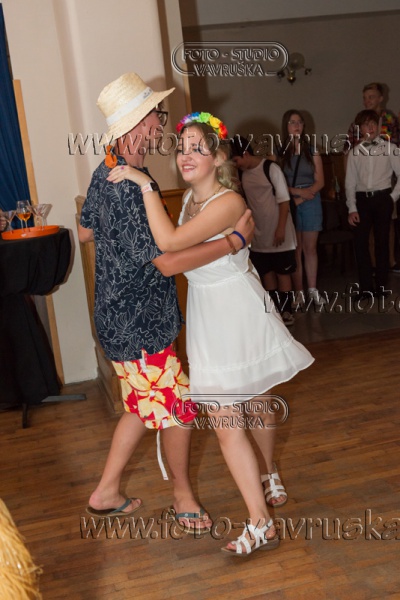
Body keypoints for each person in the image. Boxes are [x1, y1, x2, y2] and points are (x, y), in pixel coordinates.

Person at [107, 111, 314, 556]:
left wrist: (144, 183)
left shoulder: (229, 202)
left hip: (236, 312)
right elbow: (170, 258)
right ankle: (262, 515)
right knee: (229, 420)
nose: (185, 155)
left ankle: (264, 500)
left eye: (198, 148)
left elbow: (168, 245)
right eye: (181, 148)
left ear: (218, 157)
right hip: (207, 314)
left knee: (244, 409)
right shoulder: (189, 201)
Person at [78, 73, 254, 534]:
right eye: (157, 114)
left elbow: (84, 230)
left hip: (124, 318)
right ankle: (183, 497)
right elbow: (167, 262)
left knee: (141, 406)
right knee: (180, 409)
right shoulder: (129, 186)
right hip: (137, 324)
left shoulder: (108, 169)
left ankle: (106, 492)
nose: (162, 123)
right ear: (140, 123)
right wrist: (233, 242)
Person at [231, 135, 297, 326]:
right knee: (266, 273)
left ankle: (287, 311)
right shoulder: (243, 174)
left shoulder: (270, 168)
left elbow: (284, 200)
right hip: (258, 234)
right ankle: (274, 312)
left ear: (245, 154)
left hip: (279, 230)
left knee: (283, 273)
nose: (236, 164)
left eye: (236, 160)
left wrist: (281, 228)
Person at [345, 109, 400, 300]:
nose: (370, 127)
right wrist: (352, 207)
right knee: (360, 244)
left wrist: (392, 198)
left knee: (382, 243)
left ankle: (382, 286)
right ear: (360, 129)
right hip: (362, 200)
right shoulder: (354, 153)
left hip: (383, 198)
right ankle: (366, 287)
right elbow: (350, 183)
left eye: (373, 123)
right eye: (365, 124)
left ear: (378, 126)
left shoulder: (390, 148)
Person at [279, 110, 326, 308]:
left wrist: (307, 194)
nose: (296, 126)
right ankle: (298, 292)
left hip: (311, 199)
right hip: (290, 200)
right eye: (292, 122)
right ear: (286, 126)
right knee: (295, 249)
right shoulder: (280, 152)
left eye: (299, 122)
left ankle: (312, 290)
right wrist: (297, 194)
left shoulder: (312, 150)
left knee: (310, 248)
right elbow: (277, 182)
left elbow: (320, 181)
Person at [347, 82, 400, 148]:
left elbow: (396, 145)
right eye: (364, 98)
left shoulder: (390, 120)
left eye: (371, 97)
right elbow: (347, 149)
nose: (366, 101)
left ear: (380, 99)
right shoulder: (358, 122)